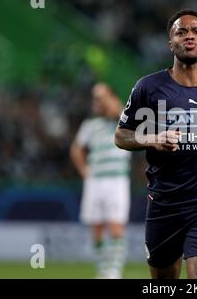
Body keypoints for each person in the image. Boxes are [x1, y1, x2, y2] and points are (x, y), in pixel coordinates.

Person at [115, 9, 197, 279]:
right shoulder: (148, 88)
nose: (189, 36)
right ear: (170, 43)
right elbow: (121, 135)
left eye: (196, 32)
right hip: (165, 204)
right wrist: (152, 138)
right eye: (181, 32)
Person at [71, 83, 131, 279]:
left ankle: (114, 272)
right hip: (95, 180)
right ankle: (103, 269)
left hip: (116, 180)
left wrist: (104, 95)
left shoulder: (121, 119)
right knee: (96, 228)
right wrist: (84, 170)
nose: (98, 101)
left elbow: (114, 109)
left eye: (101, 97)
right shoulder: (90, 125)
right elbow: (76, 149)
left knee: (115, 226)